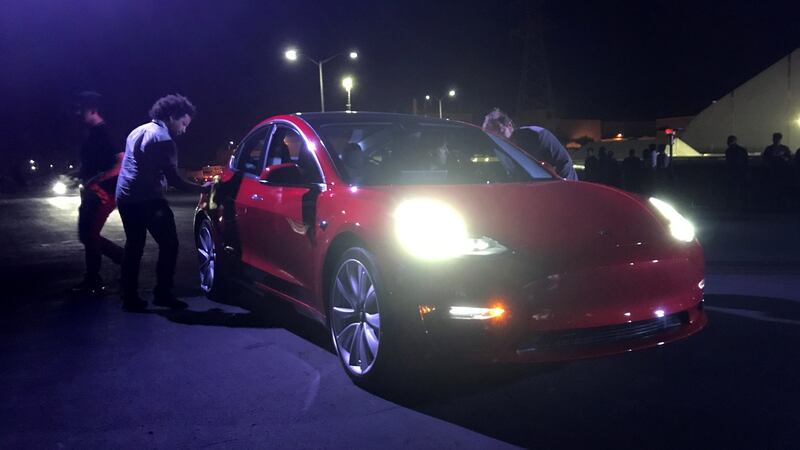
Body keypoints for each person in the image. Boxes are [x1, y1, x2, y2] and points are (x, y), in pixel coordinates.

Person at [116, 94, 204, 312]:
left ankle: (129, 297)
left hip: (125, 198)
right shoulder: (163, 139)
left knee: (134, 245)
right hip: (147, 199)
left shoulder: (138, 130)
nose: (184, 129)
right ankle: (162, 294)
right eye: (184, 123)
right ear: (172, 116)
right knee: (170, 244)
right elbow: (174, 179)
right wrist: (203, 189)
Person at [71, 91, 124, 295]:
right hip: (92, 190)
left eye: (81, 109)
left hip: (103, 192)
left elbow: (121, 161)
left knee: (89, 234)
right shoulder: (92, 134)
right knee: (87, 234)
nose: (78, 113)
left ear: (92, 109)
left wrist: (98, 180)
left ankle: (94, 278)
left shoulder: (105, 133)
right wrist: (78, 174)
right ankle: (123, 262)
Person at [482, 108, 578, 180]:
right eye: (491, 134)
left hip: (562, 184)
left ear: (509, 125)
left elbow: (564, 163)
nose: (496, 137)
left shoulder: (534, 135)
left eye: (498, 130)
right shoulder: (501, 149)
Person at [762, 132, 792, 211]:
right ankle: (781, 206)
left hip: (773, 172)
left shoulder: (769, 149)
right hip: (780, 173)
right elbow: (789, 159)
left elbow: (765, 159)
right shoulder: (785, 148)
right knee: (780, 190)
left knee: (774, 190)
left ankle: (775, 206)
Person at [724, 135, 748, 211]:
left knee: (733, 190)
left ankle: (733, 206)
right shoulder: (742, 150)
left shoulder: (728, 151)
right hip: (741, 172)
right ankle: (741, 206)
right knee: (741, 190)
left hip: (732, 173)